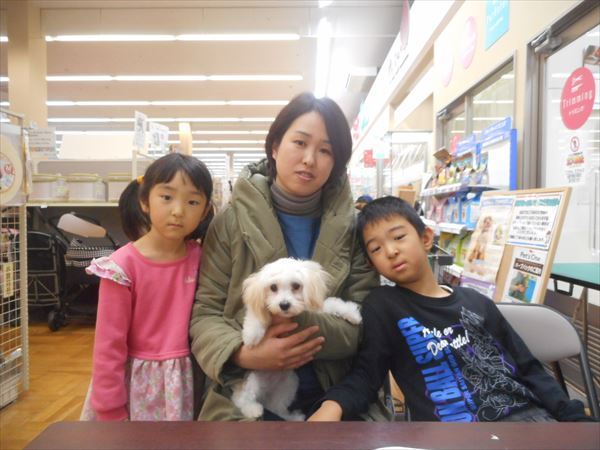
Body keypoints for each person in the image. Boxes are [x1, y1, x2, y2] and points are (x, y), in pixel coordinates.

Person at [189, 92, 391, 421]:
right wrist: (243, 353)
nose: (310, 159)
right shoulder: (229, 222)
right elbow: (205, 314)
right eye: (300, 142)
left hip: (336, 391)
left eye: (325, 150)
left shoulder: (356, 229)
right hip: (245, 388)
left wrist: (297, 323)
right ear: (274, 146)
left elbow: (364, 323)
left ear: (336, 162)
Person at [309, 196, 592, 422]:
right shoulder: (383, 305)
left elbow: (528, 367)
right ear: (372, 264)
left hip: (531, 420)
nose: (391, 251)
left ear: (426, 238)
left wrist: (574, 418)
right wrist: (332, 406)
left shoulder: (476, 301)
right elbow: (367, 375)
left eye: (398, 237)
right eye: (376, 249)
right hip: (455, 437)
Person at [80, 153, 214, 421]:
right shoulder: (121, 268)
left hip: (188, 380)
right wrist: (109, 409)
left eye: (192, 201)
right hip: (137, 384)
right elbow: (108, 346)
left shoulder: (203, 258)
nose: (178, 211)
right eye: (166, 197)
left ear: (205, 210)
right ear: (144, 201)